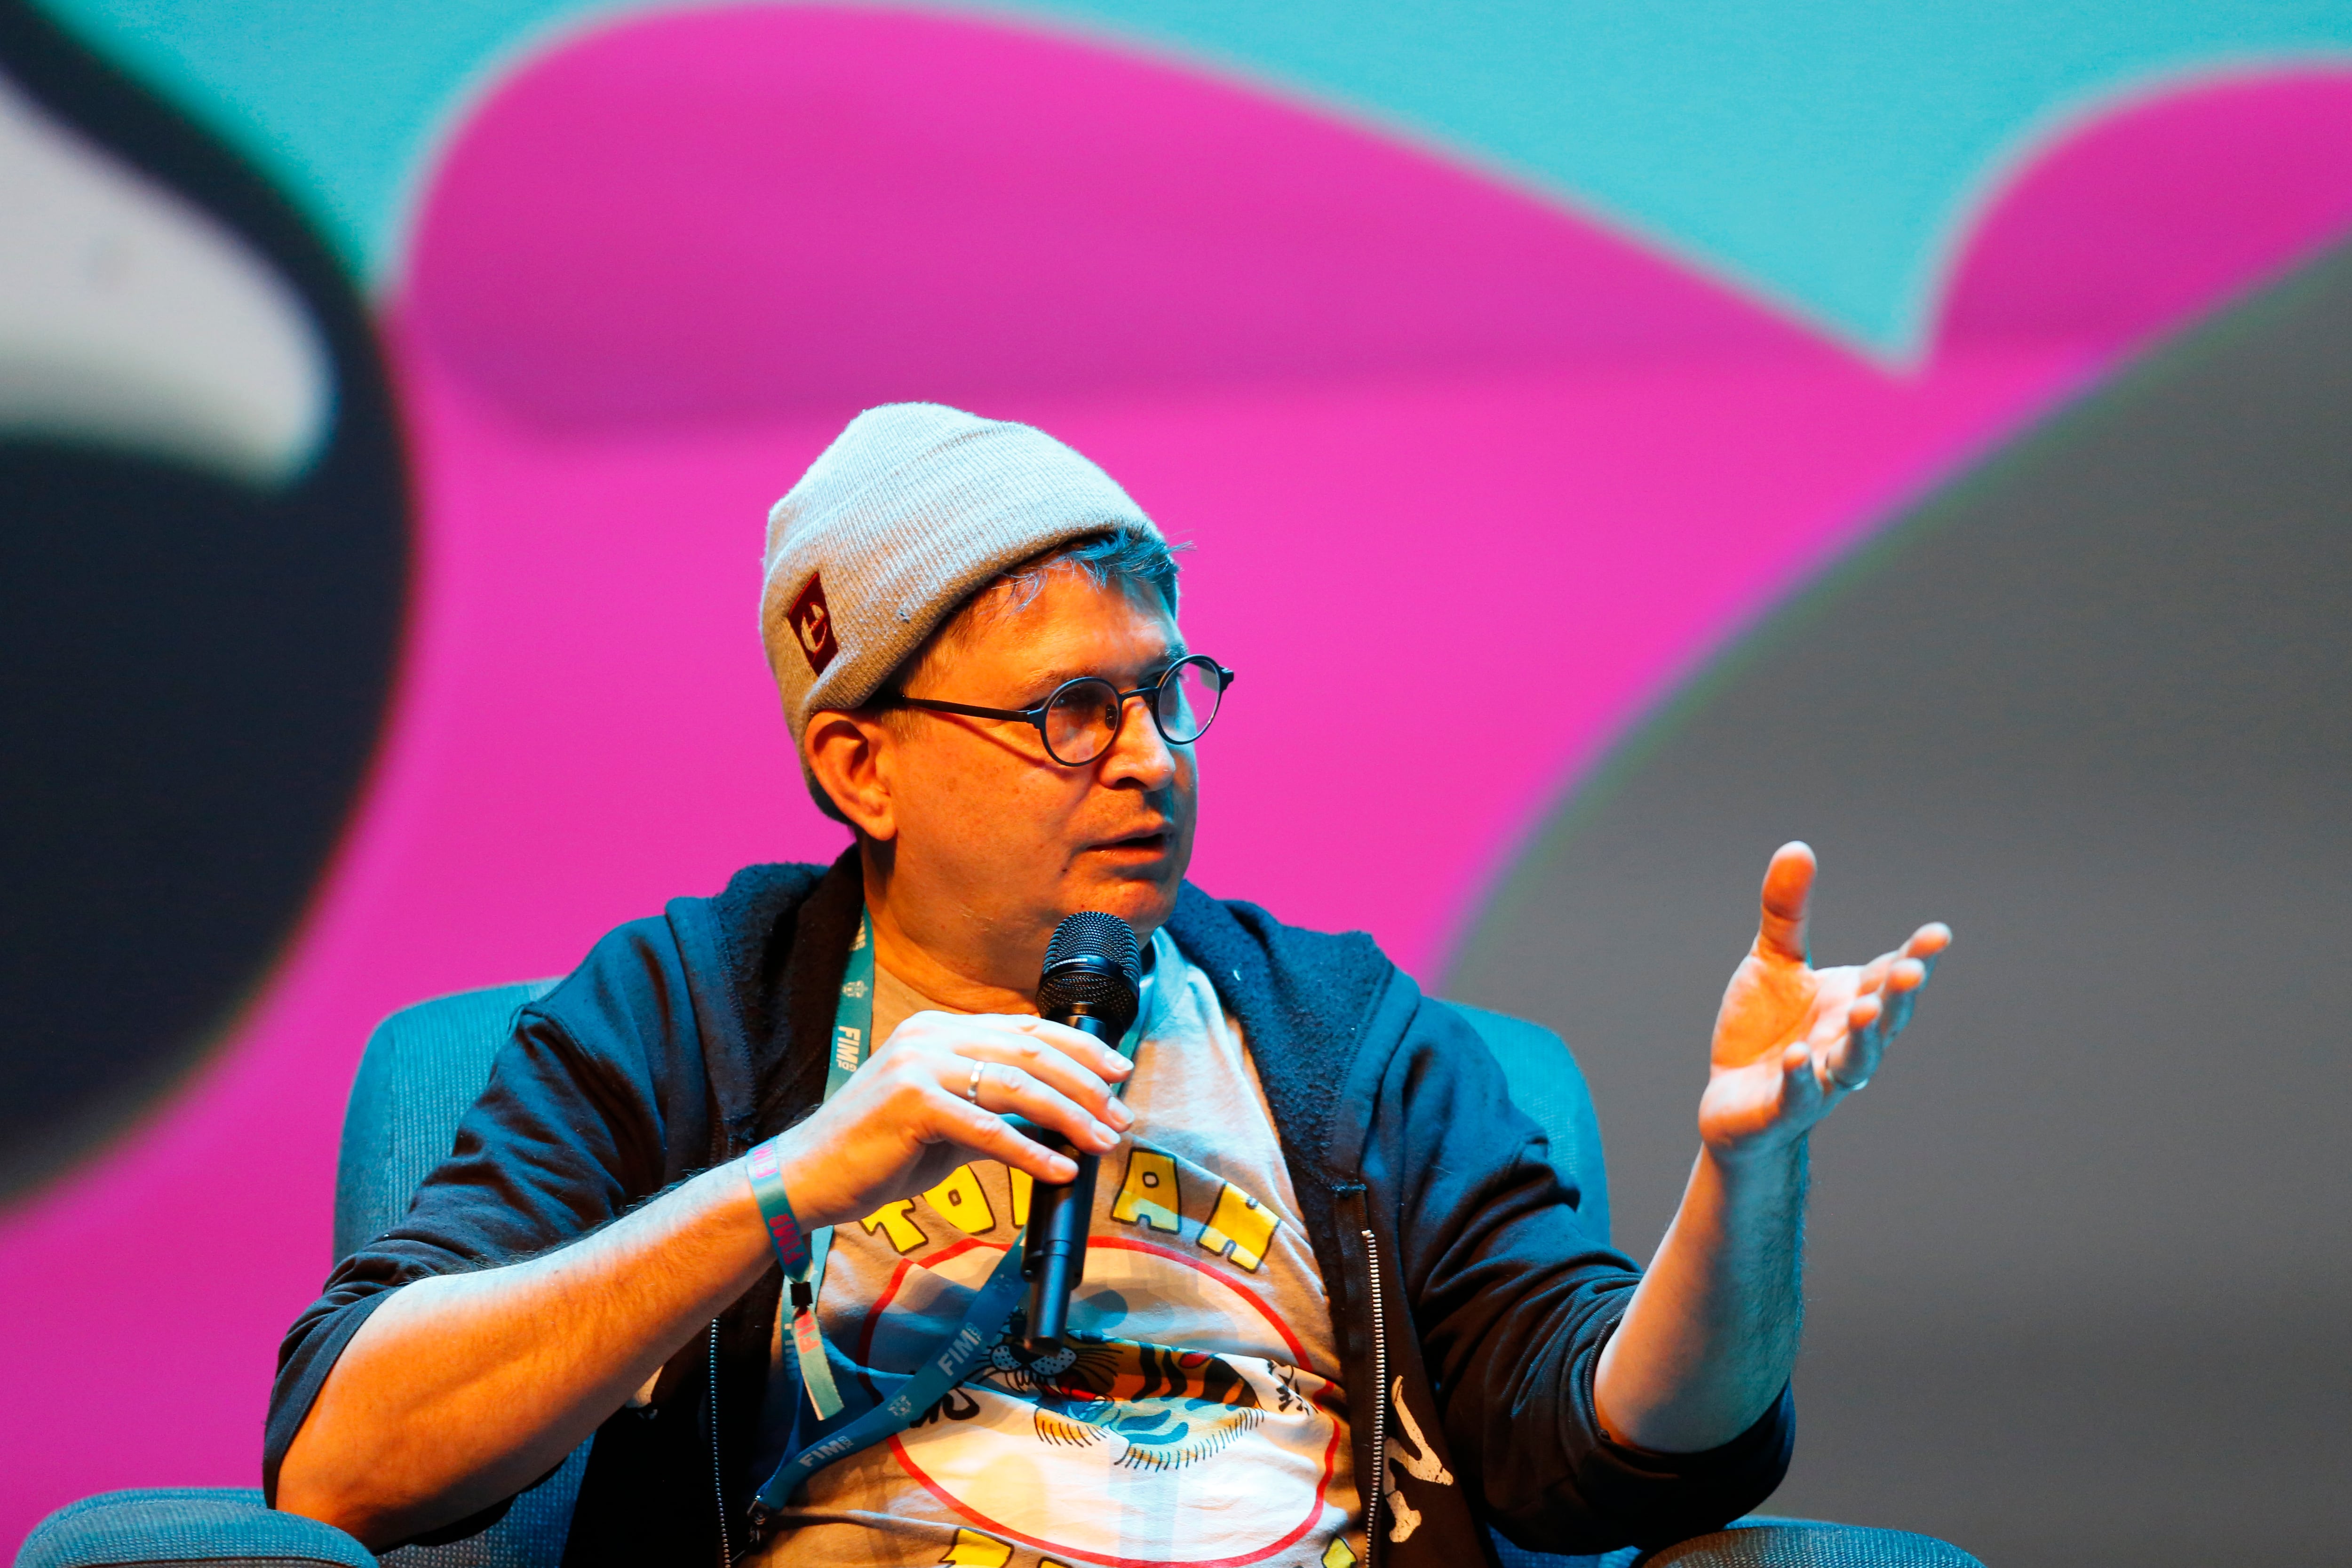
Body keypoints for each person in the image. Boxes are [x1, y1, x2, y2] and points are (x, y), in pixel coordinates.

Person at [268, 404, 1950, 1568]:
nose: (1153, 763)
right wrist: (797, 1187)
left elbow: (1616, 1447)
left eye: (1172, 693)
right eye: (1073, 712)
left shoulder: (1338, 1043)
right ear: (861, 764)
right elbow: (345, 1460)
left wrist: (1749, 1182)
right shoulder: (686, 1019)